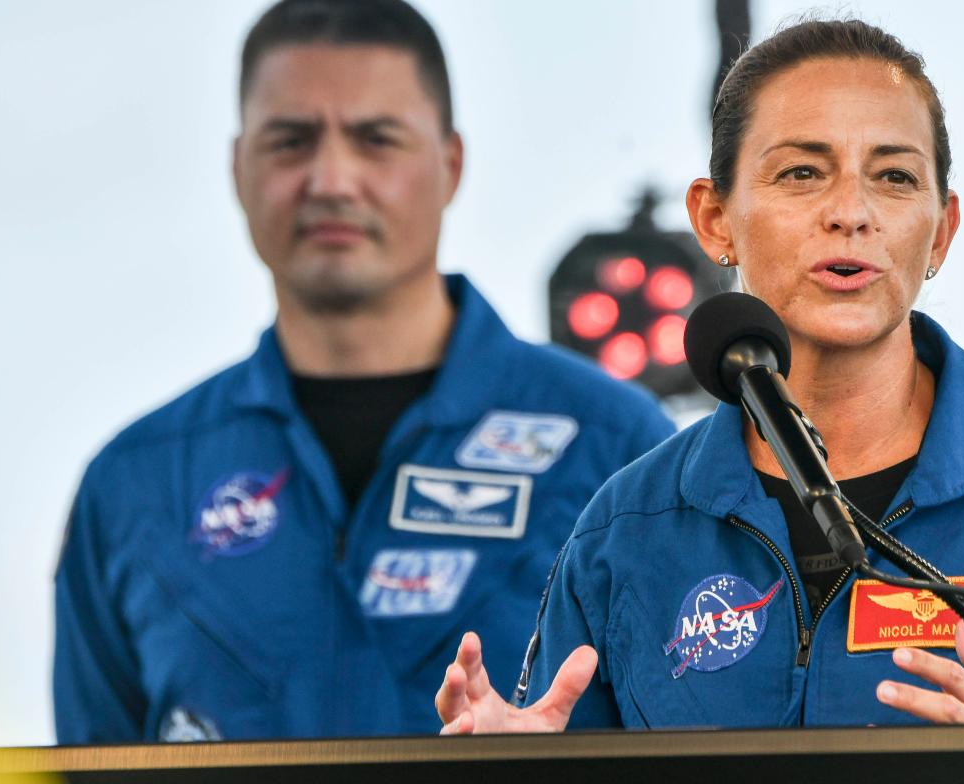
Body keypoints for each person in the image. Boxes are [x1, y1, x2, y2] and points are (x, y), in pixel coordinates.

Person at [436, 18, 964, 733]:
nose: (850, 212)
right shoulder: (625, 527)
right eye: (802, 172)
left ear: (940, 231)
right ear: (713, 220)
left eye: (895, 178)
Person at [52, 0, 675, 743]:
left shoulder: (616, 448)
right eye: (291, 141)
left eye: (375, 139)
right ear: (236, 166)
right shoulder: (136, 482)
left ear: (450, 165)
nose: (332, 179)